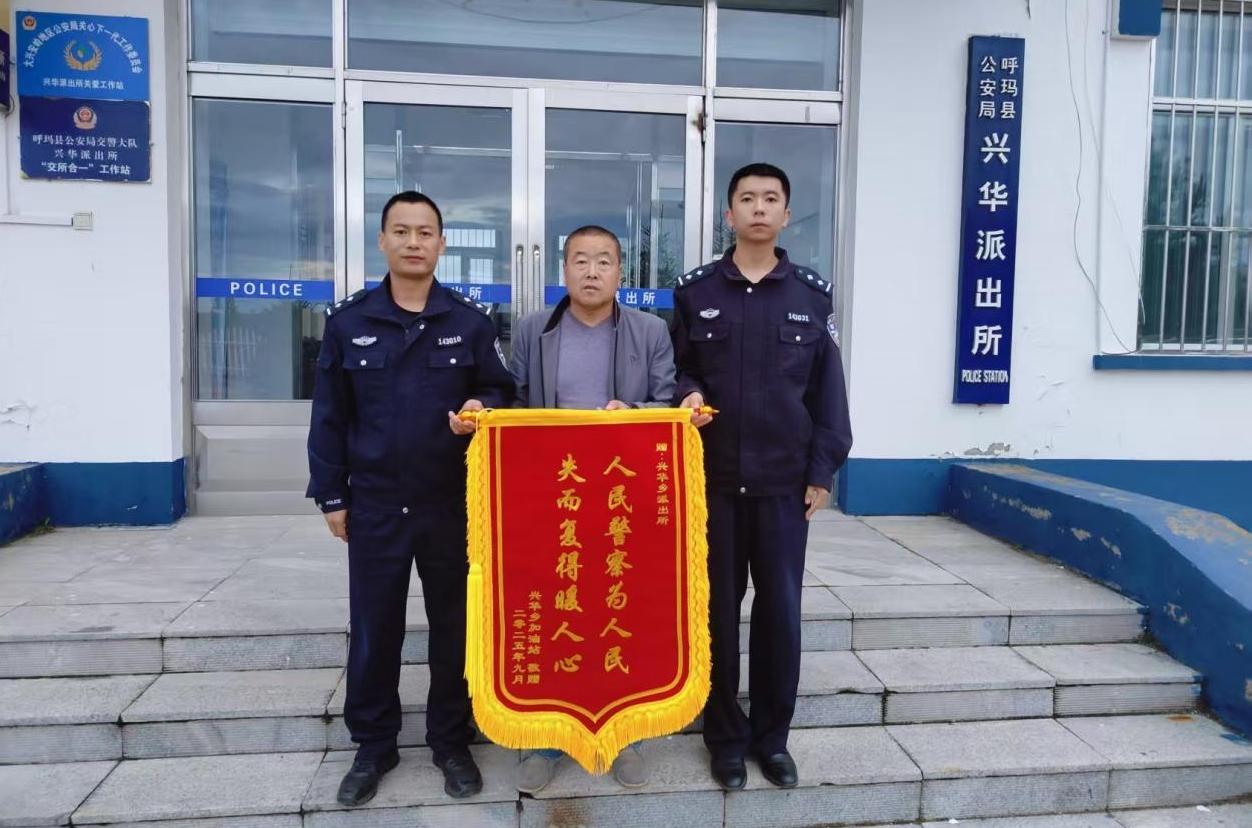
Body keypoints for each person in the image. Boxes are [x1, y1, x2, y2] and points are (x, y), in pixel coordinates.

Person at [307, 191, 515, 806]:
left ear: (442, 244)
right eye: (401, 231)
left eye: (425, 232)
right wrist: (331, 495)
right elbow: (329, 417)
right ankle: (374, 745)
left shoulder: (469, 322)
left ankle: (451, 739)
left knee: (454, 627)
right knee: (375, 628)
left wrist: (481, 405)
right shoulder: (348, 322)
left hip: (451, 505)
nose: (414, 242)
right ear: (382, 241)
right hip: (375, 503)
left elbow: (501, 391)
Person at [670, 163, 852, 791]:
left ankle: (772, 739)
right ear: (729, 214)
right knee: (716, 614)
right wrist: (689, 394)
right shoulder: (695, 293)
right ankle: (724, 738)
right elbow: (679, 370)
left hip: (783, 488)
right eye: (746, 198)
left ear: (785, 214)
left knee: (780, 615)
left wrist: (822, 469)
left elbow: (828, 394)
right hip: (713, 485)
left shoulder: (811, 296)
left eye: (770, 198)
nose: (758, 207)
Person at [507, 224, 677, 792]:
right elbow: (514, 402)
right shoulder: (533, 330)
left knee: (622, 613)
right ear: (564, 270)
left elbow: (666, 401)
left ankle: (626, 735)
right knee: (556, 610)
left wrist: (631, 413)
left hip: (620, 496)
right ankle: (545, 740)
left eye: (604, 261)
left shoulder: (650, 331)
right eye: (580, 260)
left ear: (620, 272)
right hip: (553, 497)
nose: (592, 271)